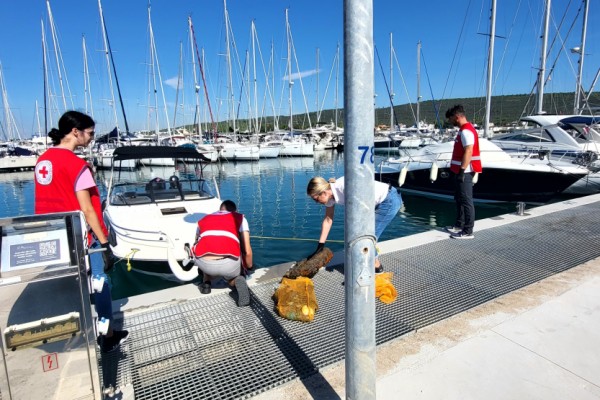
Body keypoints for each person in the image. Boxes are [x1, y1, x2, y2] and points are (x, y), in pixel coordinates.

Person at [34, 110, 128, 353]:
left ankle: (74, 332)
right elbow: (87, 209)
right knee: (101, 283)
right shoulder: (77, 165)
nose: (91, 138)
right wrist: (105, 242)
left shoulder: (43, 160)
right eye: (90, 133)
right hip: (81, 237)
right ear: (75, 132)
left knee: (72, 288)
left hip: (53, 235)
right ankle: (107, 336)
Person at [306, 176, 402, 273]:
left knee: (365, 239)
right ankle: (372, 263)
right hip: (372, 202)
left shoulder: (344, 187)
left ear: (324, 193)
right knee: (363, 238)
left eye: (316, 199)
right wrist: (320, 246)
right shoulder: (329, 197)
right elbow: (328, 220)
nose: (317, 202)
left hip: (388, 200)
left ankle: (376, 269)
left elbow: (362, 210)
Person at [192, 200, 253, 307]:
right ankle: (234, 280)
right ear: (234, 211)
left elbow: (196, 242)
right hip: (228, 265)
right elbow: (247, 251)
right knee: (233, 275)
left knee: (204, 250)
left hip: (204, 263)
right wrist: (249, 267)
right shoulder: (239, 218)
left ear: (220, 209)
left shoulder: (203, 219)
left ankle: (206, 283)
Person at [444, 104, 482, 239]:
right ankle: (459, 224)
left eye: (450, 119)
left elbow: (469, 151)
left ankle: (468, 231)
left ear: (457, 116)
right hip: (459, 171)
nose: (450, 122)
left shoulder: (466, 131)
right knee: (459, 199)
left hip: (465, 171)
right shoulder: (463, 130)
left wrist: (461, 171)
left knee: (466, 200)